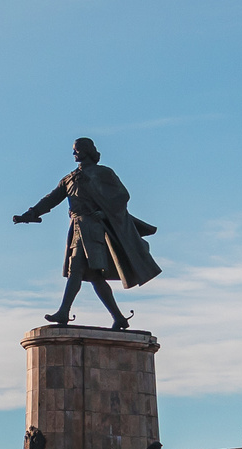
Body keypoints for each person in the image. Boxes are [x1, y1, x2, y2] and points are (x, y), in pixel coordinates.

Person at [14, 137, 161, 328]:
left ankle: (64, 312)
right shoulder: (69, 178)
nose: (74, 153)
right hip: (76, 227)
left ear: (88, 151)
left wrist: (104, 211)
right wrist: (30, 214)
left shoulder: (103, 173)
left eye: (77, 150)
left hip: (94, 228)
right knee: (93, 276)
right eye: (74, 150)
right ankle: (118, 318)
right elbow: (51, 198)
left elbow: (122, 196)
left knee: (75, 269)